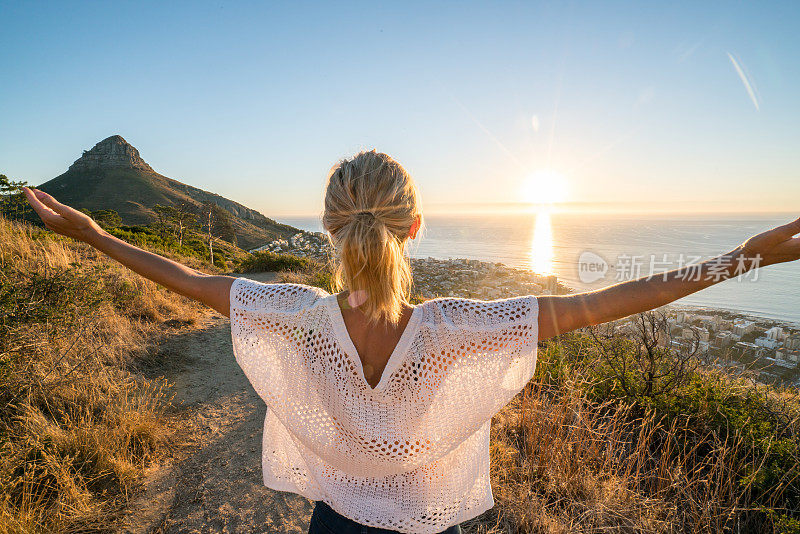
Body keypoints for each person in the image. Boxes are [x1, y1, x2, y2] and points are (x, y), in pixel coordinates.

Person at [22, 151, 799, 534]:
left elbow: (184, 275)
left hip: (334, 522)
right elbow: (610, 301)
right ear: (415, 229)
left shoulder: (293, 312)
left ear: (328, 228)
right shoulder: (454, 328)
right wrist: (749, 255)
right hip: (426, 523)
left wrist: (91, 232)